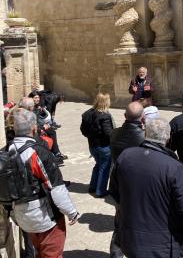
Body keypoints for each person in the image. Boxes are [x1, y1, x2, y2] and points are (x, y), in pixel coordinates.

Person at [110, 118, 183, 258]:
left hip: (131, 238)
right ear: (168, 137)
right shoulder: (174, 167)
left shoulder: (125, 156)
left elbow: (115, 193)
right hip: (162, 244)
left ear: (145, 133)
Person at [9, 108, 79, 257]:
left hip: (20, 215)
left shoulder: (6, 151)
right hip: (44, 217)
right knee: (52, 253)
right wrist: (71, 212)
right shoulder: (37, 152)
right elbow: (56, 187)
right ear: (34, 128)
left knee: (39, 251)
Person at [109, 101, 145, 258]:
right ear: (142, 117)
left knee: (120, 223)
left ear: (125, 116)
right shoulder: (145, 137)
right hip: (139, 186)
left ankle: (116, 254)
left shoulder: (114, 133)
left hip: (120, 183)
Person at [80, 92, 114, 198]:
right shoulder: (104, 116)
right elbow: (109, 133)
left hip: (92, 145)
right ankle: (100, 191)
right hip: (104, 146)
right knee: (104, 167)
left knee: (98, 165)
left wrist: (91, 136)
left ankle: (93, 186)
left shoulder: (87, 113)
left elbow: (83, 129)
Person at [29, 90, 66, 164]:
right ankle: (53, 155)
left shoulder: (37, 106)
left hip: (38, 127)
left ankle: (56, 153)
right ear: (31, 98)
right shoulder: (30, 108)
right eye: (35, 98)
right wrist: (42, 127)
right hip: (34, 130)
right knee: (49, 133)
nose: (37, 99)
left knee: (52, 131)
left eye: (38, 98)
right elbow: (31, 123)